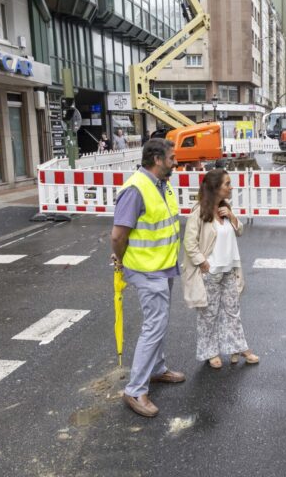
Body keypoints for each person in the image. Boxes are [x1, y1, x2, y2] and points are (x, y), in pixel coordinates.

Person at [111, 139, 185, 418]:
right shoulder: (136, 189)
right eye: (172, 158)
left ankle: (157, 369)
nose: (175, 163)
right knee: (154, 325)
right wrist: (120, 259)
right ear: (156, 159)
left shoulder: (162, 186)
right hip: (146, 269)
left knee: (160, 321)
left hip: (163, 266)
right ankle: (135, 389)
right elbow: (118, 235)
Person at [182, 169, 259, 369]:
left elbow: (239, 231)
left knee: (233, 311)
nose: (231, 187)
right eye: (227, 183)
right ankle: (210, 352)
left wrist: (232, 217)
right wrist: (203, 263)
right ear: (216, 188)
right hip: (210, 271)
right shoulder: (199, 212)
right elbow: (190, 243)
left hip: (230, 270)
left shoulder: (226, 208)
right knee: (209, 314)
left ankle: (239, 347)